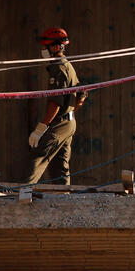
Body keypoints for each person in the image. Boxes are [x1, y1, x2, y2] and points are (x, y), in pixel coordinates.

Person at [26, 27, 87, 185]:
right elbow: (81, 95)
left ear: (54, 47)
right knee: (61, 166)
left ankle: (21, 194)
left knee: (38, 157)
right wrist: (71, 111)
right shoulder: (67, 65)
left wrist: (41, 127)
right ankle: (63, 197)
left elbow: (55, 102)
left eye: (45, 47)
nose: (43, 50)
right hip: (70, 122)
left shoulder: (58, 68)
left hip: (60, 123)